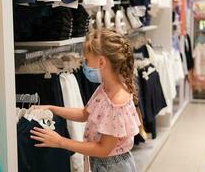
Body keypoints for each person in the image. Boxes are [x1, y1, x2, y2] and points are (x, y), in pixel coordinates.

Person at [30, 29, 141, 172]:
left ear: (101, 62)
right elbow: (84, 114)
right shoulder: (104, 89)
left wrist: (60, 142)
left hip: (112, 167)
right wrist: (53, 108)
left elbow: (103, 149)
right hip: (101, 163)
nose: (84, 65)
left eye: (86, 60)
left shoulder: (116, 103)